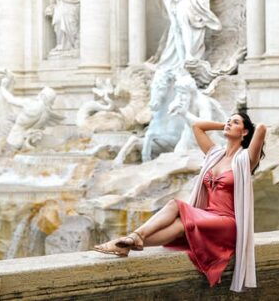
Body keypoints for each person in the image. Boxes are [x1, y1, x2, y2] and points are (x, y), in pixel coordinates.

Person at [93, 112, 267, 292]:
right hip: (208, 216)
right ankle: (129, 242)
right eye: (228, 121)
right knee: (178, 226)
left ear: (245, 132)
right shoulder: (215, 154)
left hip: (227, 223)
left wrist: (243, 127)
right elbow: (197, 126)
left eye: (235, 122)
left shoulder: (245, 160)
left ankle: (135, 236)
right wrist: (226, 124)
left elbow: (261, 128)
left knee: (176, 205)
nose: (229, 123)